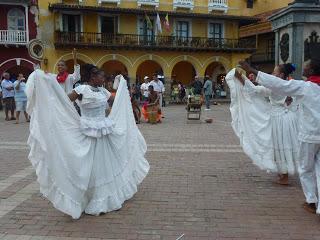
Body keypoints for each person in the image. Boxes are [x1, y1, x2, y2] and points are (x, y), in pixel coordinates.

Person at [25, 64, 149, 219]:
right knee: (89, 164)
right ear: (93, 77)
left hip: (103, 131)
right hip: (87, 131)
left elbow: (118, 100)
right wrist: (48, 84)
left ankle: (103, 198)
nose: (104, 79)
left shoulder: (103, 91)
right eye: (101, 77)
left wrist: (122, 84)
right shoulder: (81, 90)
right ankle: (86, 195)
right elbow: (62, 101)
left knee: (103, 165)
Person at [238, 59, 320, 214]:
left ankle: (311, 201)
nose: (304, 67)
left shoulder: (305, 87)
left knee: (305, 168)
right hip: (303, 128)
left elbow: (278, 85)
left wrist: (252, 70)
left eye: (307, 66)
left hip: (309, 133)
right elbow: (276, 86)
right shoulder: (302, 86)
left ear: (312, 71)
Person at [234, 63, 299, 185]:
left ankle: (284, 175)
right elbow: (256, 90)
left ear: (281, 75)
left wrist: (241, 78)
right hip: (288, 119)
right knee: (284, 145)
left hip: (279, 119)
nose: (272, 74)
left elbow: (254, 90)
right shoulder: (290, 85)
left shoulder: (276, 86)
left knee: (279, 145)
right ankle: (283, 173)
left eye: (274, 73)